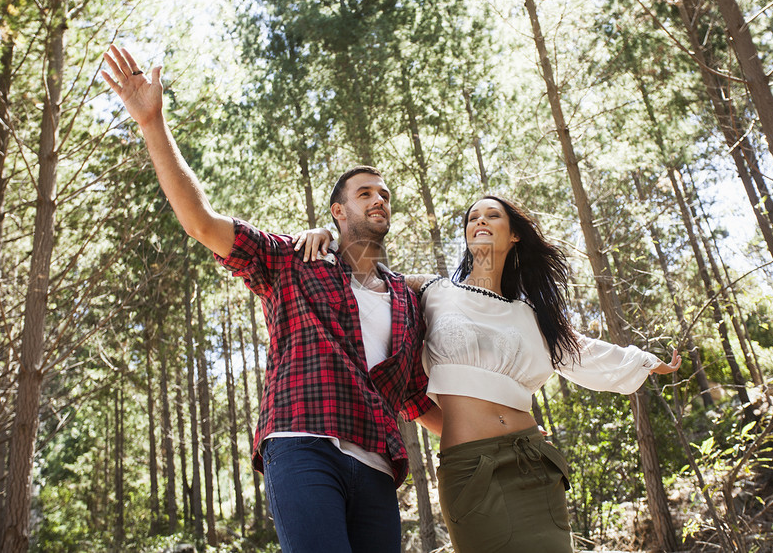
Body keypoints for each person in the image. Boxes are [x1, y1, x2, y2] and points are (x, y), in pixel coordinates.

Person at [101, 45, 442, 553]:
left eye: (385, 194)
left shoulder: (406, 300)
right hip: (303, 445)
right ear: (338, 212)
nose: (379, 200)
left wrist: (494, 439)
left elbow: (414, 397)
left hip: (376, 464)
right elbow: (201, 223)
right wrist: (153, 124)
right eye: (366, 193)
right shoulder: (294, 260)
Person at [295, 195, 681, 553]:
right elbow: (367, 272)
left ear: (513, 234)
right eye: (472, 217)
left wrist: (646, 361)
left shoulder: (533, 315)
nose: (480, 221)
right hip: (471, 469)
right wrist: (327, 234)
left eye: (492, 215)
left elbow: (586, 352)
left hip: (533, 461)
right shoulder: (435, 290)